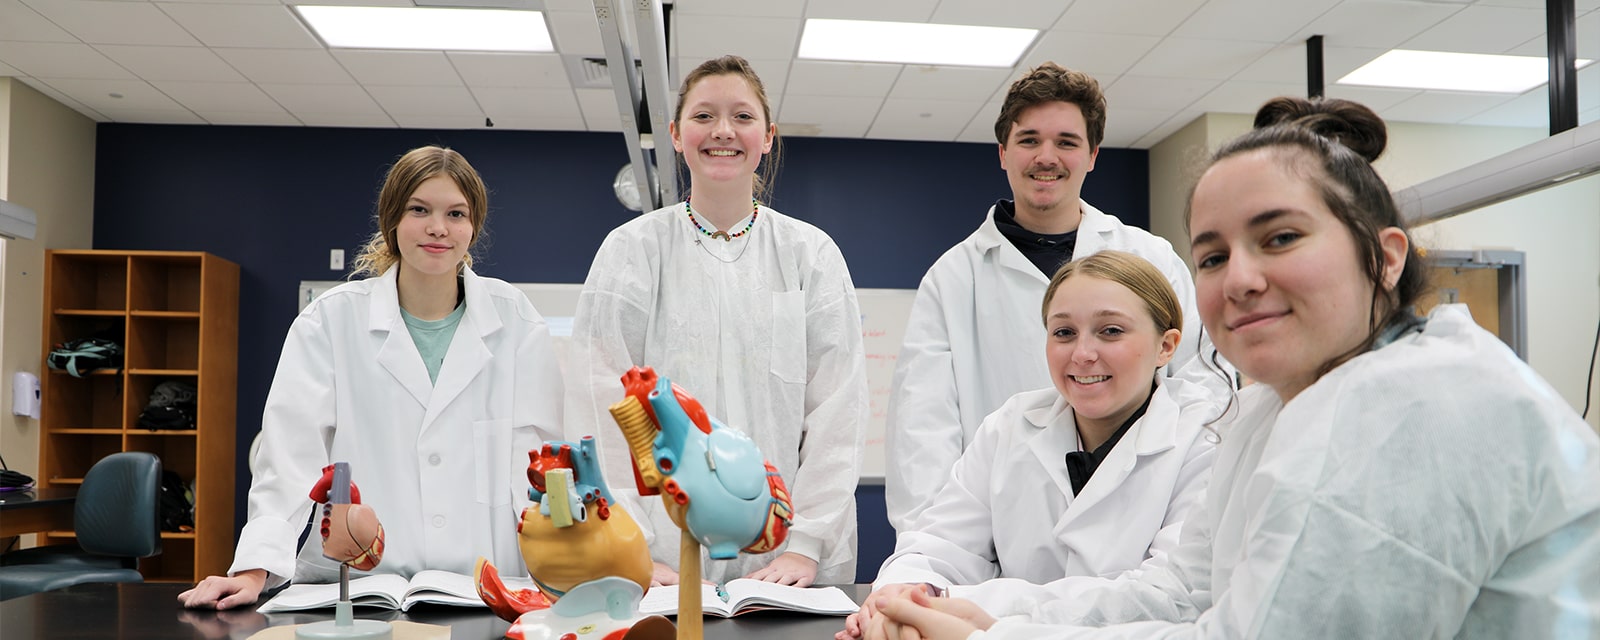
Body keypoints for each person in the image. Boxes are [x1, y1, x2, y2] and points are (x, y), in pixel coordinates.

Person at [864, 97, 1600, 639]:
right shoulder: (1265, 411)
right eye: (1213, 255)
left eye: (1280, 237)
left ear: (1385, 256)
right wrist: (986, 613)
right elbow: (1184, 594)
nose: (1240, 279)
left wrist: (994, 636)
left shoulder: (1406, 408)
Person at [179, 146, 564, 609]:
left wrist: (591, 563)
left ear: (473, 226)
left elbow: (549, 461)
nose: (438, 227)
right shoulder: (330, 322)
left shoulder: (516, 321)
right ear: (392, 221)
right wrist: (254, 566)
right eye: (419, 209)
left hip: (486, 585)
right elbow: (287, 456)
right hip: (361, 587)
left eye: (455, 213)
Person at [884, 62, 1231, 533]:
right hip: (1002, 532)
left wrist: (1193, 515)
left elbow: (1203, 389)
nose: (1046, 156)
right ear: (1003, 152)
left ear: (1092, 155)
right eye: (1029, 140)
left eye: (1066, 142)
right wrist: (928, 556)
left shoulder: (1150, 257)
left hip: (1140, 521)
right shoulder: (952, 278)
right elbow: (922, 431)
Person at [563, 55, 867, 588]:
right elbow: (598, 402)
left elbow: (838, 411)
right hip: (658, 561)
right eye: (704, 116)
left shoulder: (810, 254)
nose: (723, 131)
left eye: (742, 117)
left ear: (767, 137)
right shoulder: (632, 251)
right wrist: (633, 545)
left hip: (789, 564)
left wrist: (806, 546)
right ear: (677, 135)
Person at [839, 251, 1218, 640]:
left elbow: (1167, 595)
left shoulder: (1206, 436)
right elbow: (936, 545)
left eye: (1111, 331)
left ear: (1167, 346)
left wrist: (969, 607)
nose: (1083, 354)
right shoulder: (1011, 426)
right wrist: (900, 597)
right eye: (1064, 332)